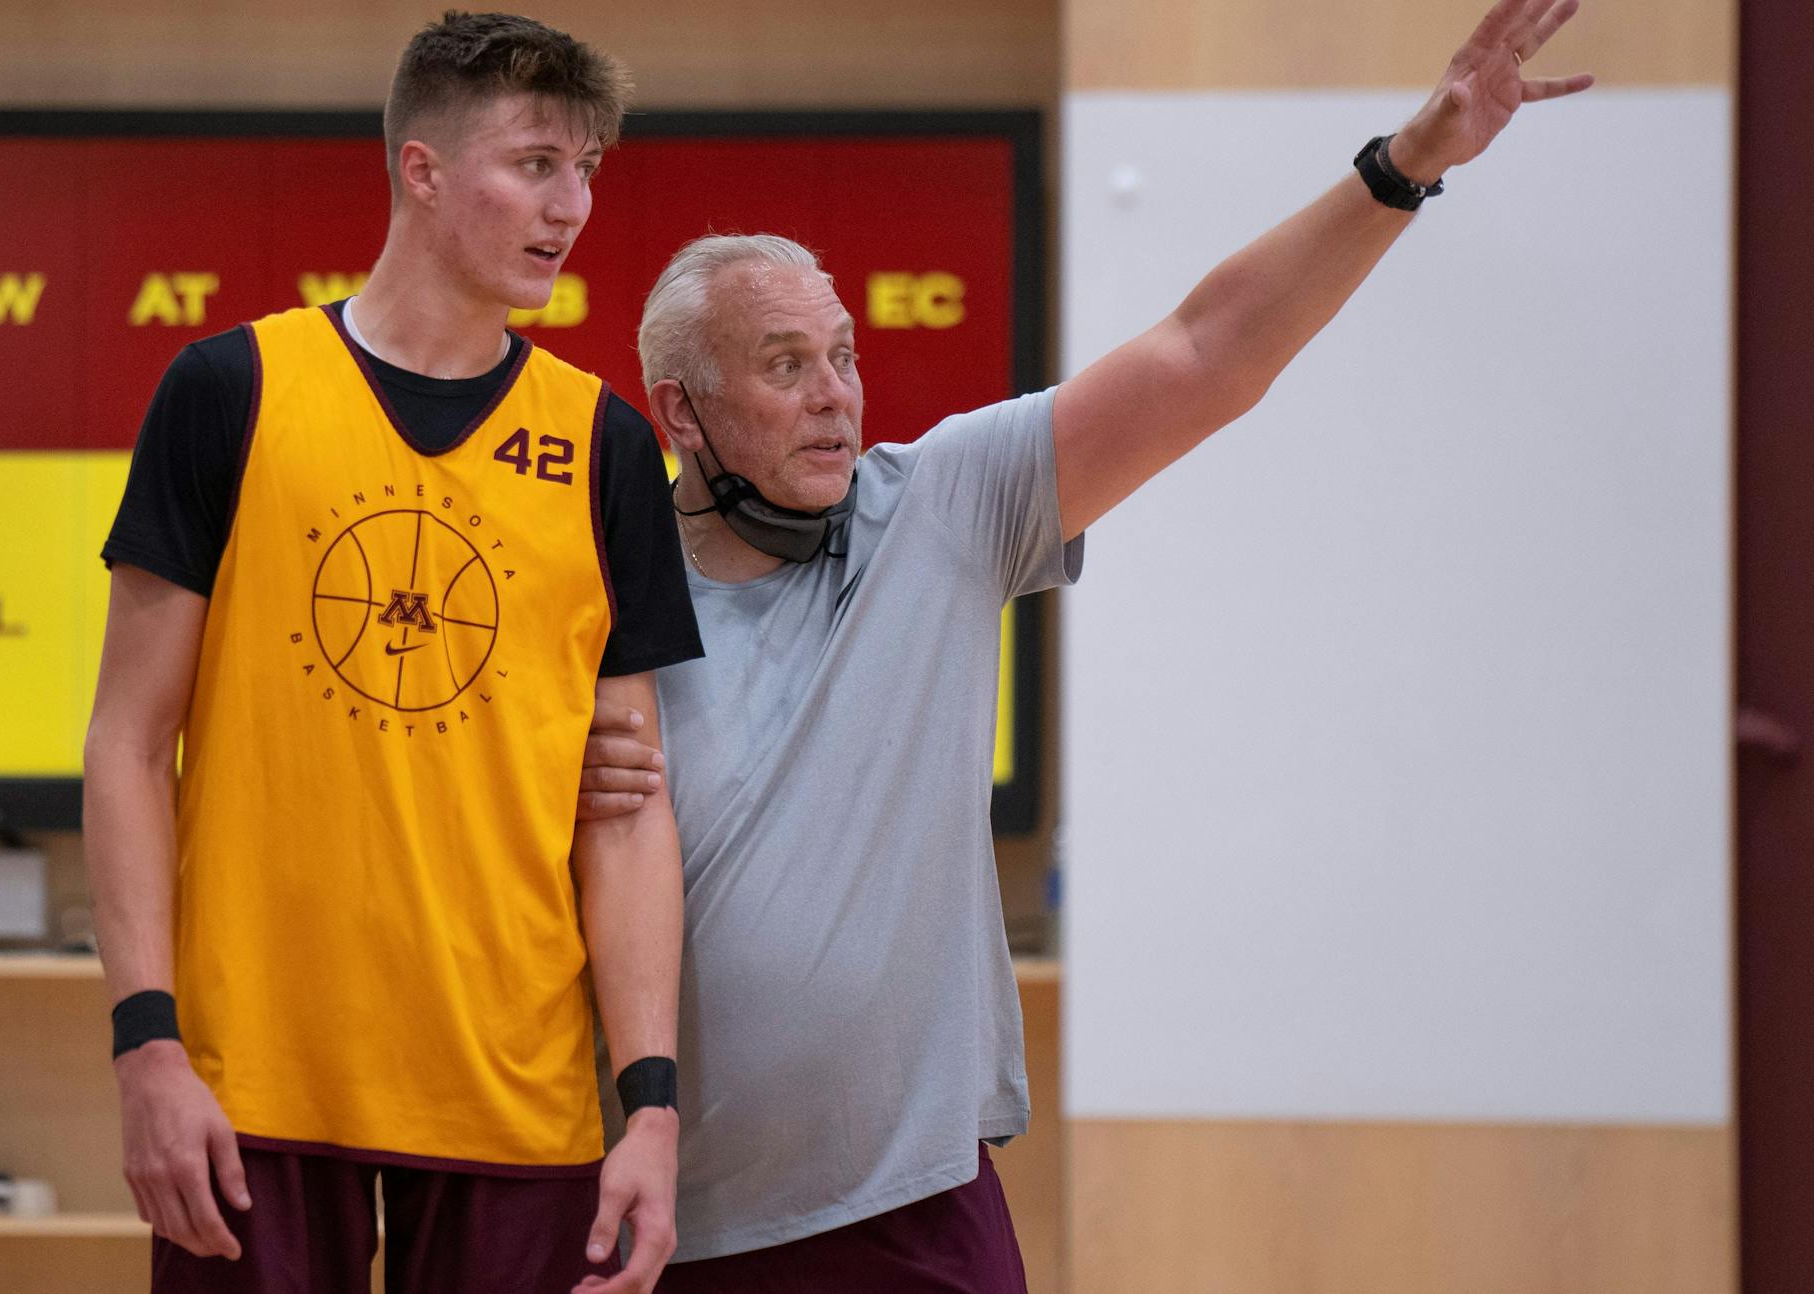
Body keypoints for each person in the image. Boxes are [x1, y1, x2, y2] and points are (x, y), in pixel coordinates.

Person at [578, 0, 1593, 1287]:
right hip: (670, 1219)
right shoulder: (595, 595)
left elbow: (1205, 351)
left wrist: (1406, 165)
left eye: (842, 353)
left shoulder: (940, 505)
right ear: (683, 409)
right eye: (786, 365)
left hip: (914, 1205)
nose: (837, 395)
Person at [82, 12, 700, 1293]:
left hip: (513, 1096)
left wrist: (650, 1102)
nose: (573, 203)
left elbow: (628, 809)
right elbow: (129, 744)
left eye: (587, 168)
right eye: (536, 163)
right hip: (249, 1087)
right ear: (421, 171)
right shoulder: (229, 390)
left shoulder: (606, 445)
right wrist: (147, 1043)